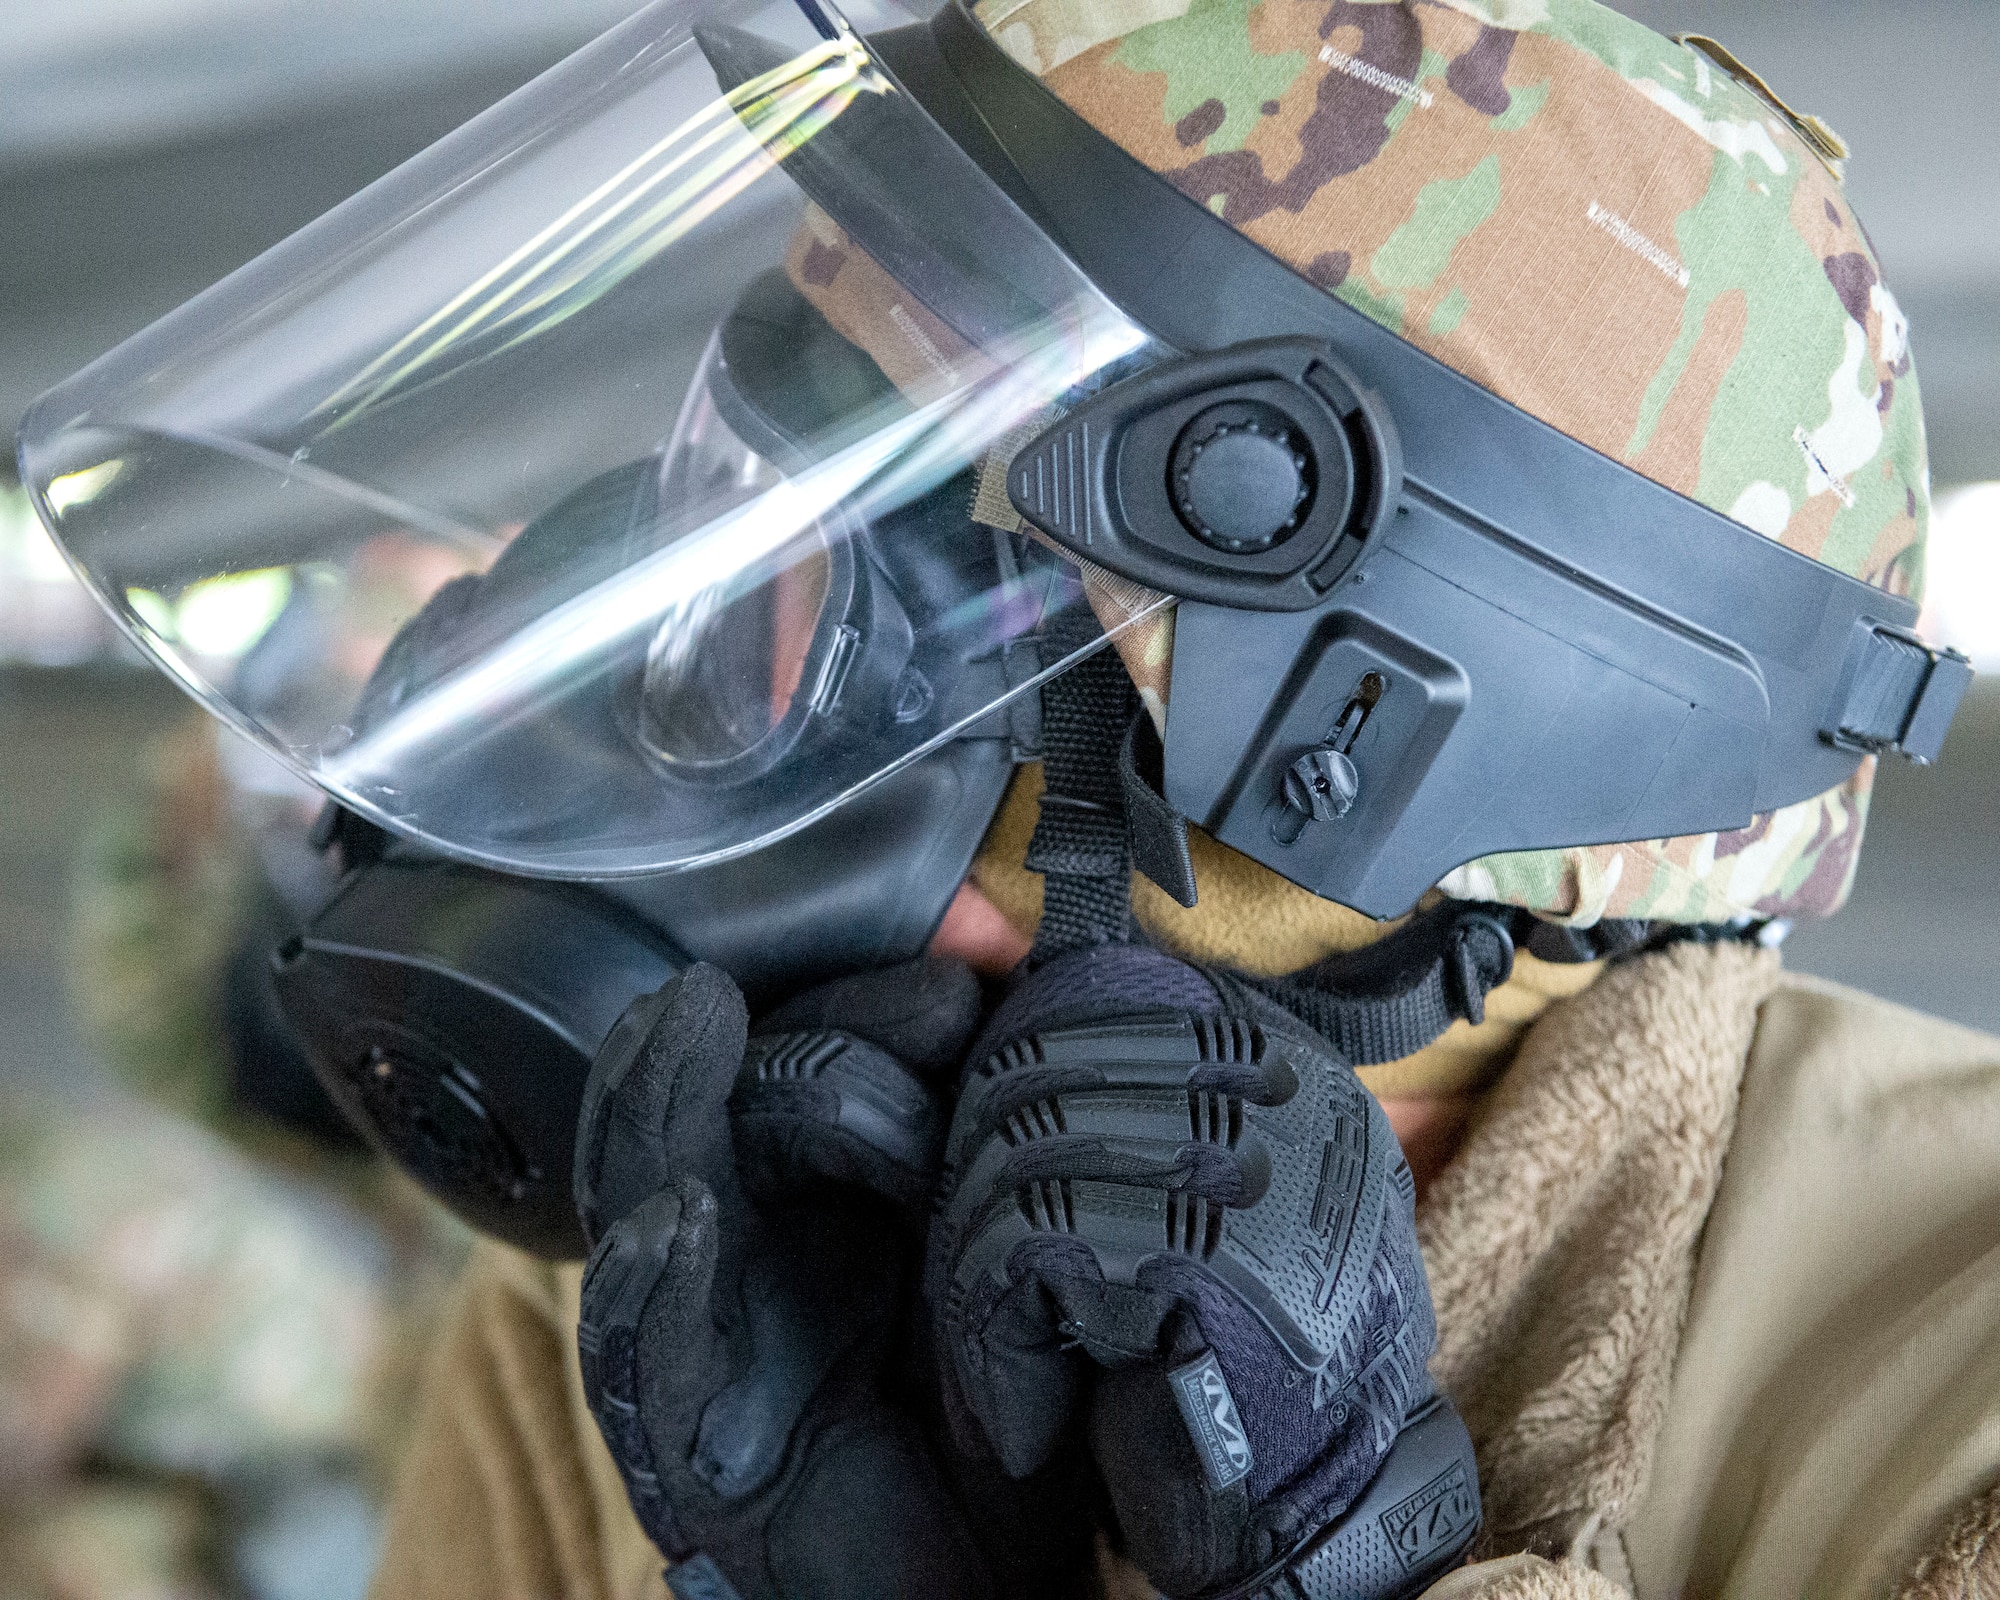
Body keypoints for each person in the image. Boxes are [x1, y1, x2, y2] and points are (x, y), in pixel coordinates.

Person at [19, 0, 1994, 1594]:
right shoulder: (696, 1286)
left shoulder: (1947, 1355)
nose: (695, 658)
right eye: (745, 489)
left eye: (868, 569)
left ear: (1352, 766)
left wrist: (1341, 1563)